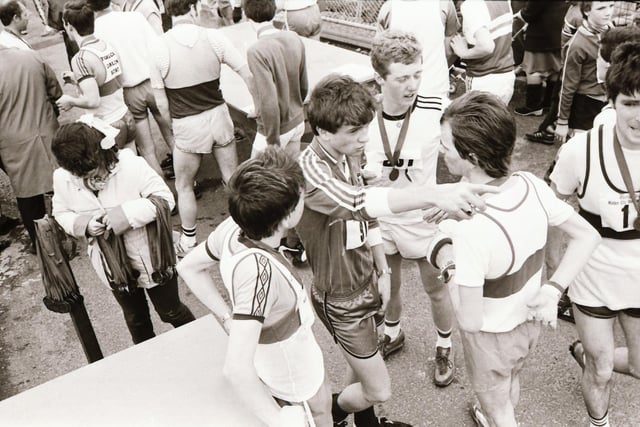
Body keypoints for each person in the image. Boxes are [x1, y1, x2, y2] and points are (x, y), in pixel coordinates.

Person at [297, 74, 499, 427]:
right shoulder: (312, 167)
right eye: (354, 131)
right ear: (323, 131)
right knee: (378, 389)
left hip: (365, 279)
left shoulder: (347, 153)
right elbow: (360, 201)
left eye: (366, 127)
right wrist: (433, 194)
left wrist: (382, 268)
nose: (364, 138)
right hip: (340, 295)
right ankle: (326, 414)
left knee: (360, 363)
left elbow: (366, 218)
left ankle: (363, 423)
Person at [429, 91, 600, 427]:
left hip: (492, 337)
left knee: (500, 411)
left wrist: (446, 259)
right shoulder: (530, 184)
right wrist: (553, 289)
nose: (441, 149)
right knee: (509, 382)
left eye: (446, 144)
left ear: (473, 156)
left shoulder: (470, 231)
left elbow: (470, 321)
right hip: (529, 321)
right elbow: (588, 235)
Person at [177, 147, 332, 427]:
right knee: (321, 412)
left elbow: (188, 267)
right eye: (300, 197)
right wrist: (280, 422)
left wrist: (228, 319)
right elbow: (236, 368)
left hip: (280, 361)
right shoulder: (260, 273)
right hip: (293, 374)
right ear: (285, 218)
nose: (304, 198)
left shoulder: (232, 227)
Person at [549, 41, 640, 427]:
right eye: (630, 103)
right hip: (594, 276)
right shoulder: (581, 150)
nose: (638, 116)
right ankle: (598, 422)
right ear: (613, 102)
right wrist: (558, 275)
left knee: (637, 366)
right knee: (601, 371)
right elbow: (552, 207)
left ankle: (584, 352)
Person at [363, 30, 456, 388]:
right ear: (380, 79)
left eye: (417, 74)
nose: (412, 84)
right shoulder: (364, 116)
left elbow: (459, 160)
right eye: (402, 77)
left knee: (436, 290)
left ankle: (445, 346)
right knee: (389, 285)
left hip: (423, 219)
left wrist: (447, 203)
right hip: (382, 219)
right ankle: (393, 333)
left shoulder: (436, 110)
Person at [51, 119, 195, 344]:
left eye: (88, 171)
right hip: (113, 266)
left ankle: (201, 342)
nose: (83, 178)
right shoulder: (62, 178)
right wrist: (84, 224)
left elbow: (165, 200)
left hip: (153, 256)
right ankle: (148, 361)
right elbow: (60, 212)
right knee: (135, 318)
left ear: (99, 154)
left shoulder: (131, 165)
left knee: (170, 311)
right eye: (78, 174)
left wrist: (123, 216)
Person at [149, 0, 253, 257]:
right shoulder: (214, 38)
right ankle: (245, 231)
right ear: (193, 9)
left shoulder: (159, 47)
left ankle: (188, 239)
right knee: (232, 178)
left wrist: (175, 128)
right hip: (218, 116)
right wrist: (256, 104)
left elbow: (161, 104)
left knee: (184, 185)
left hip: (187, 123)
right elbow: (246, 72)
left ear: (167, 13)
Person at [88, 0, 175, 176]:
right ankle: (189, 183)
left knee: (147, 149)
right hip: (153, 82)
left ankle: (163, 195)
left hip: (129, 90)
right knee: (172, 135)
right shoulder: (134, 17)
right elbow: (158, 46)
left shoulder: (95, 30)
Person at [0, 46, 60, 254]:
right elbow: (55, 92)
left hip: (13, 142)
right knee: (60, 182)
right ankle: (70, 227)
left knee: (28, 195)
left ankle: (42, 244)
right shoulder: (30, 55)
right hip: (46, 130)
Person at [56, 0, 136, 151]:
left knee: (115, 172)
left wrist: (70, 101)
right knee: (134, 167)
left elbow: (93, 101)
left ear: (69, 26)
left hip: (108, 125)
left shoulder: (80, 59)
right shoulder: (107, 45)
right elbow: (112, 79)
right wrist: (78, 80)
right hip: (126, 116)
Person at [243, 0, 307, 159]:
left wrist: (272, 142)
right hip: (298, 121)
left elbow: (268, 100)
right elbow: (304, 86)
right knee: (290, 175)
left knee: (253, 180)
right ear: (274, 10)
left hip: (275, 130)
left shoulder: (256, 51)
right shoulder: (294, 38)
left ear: (246, 15)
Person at [555, 1, 614, 143]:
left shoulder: (610, 29)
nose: (608, 12)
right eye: (601, 8)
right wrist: (562, 120)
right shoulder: (576, 45)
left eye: (611, 6)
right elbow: (567, 86)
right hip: (585, 105)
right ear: (587, 11)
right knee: (580, 149)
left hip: (607, 101)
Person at [450, 0, 514, 105]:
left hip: (483, 78)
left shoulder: (472, 5)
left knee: (476, 120)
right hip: (506, 76)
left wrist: (463, 52)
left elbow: (487, 46)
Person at [513, 1, 569, 117]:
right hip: (558, 31)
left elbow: (531, 12)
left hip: (540, 35)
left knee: (533, 70)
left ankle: (533, 106)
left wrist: (522, 14)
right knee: (555, 69)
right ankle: (549, 104)